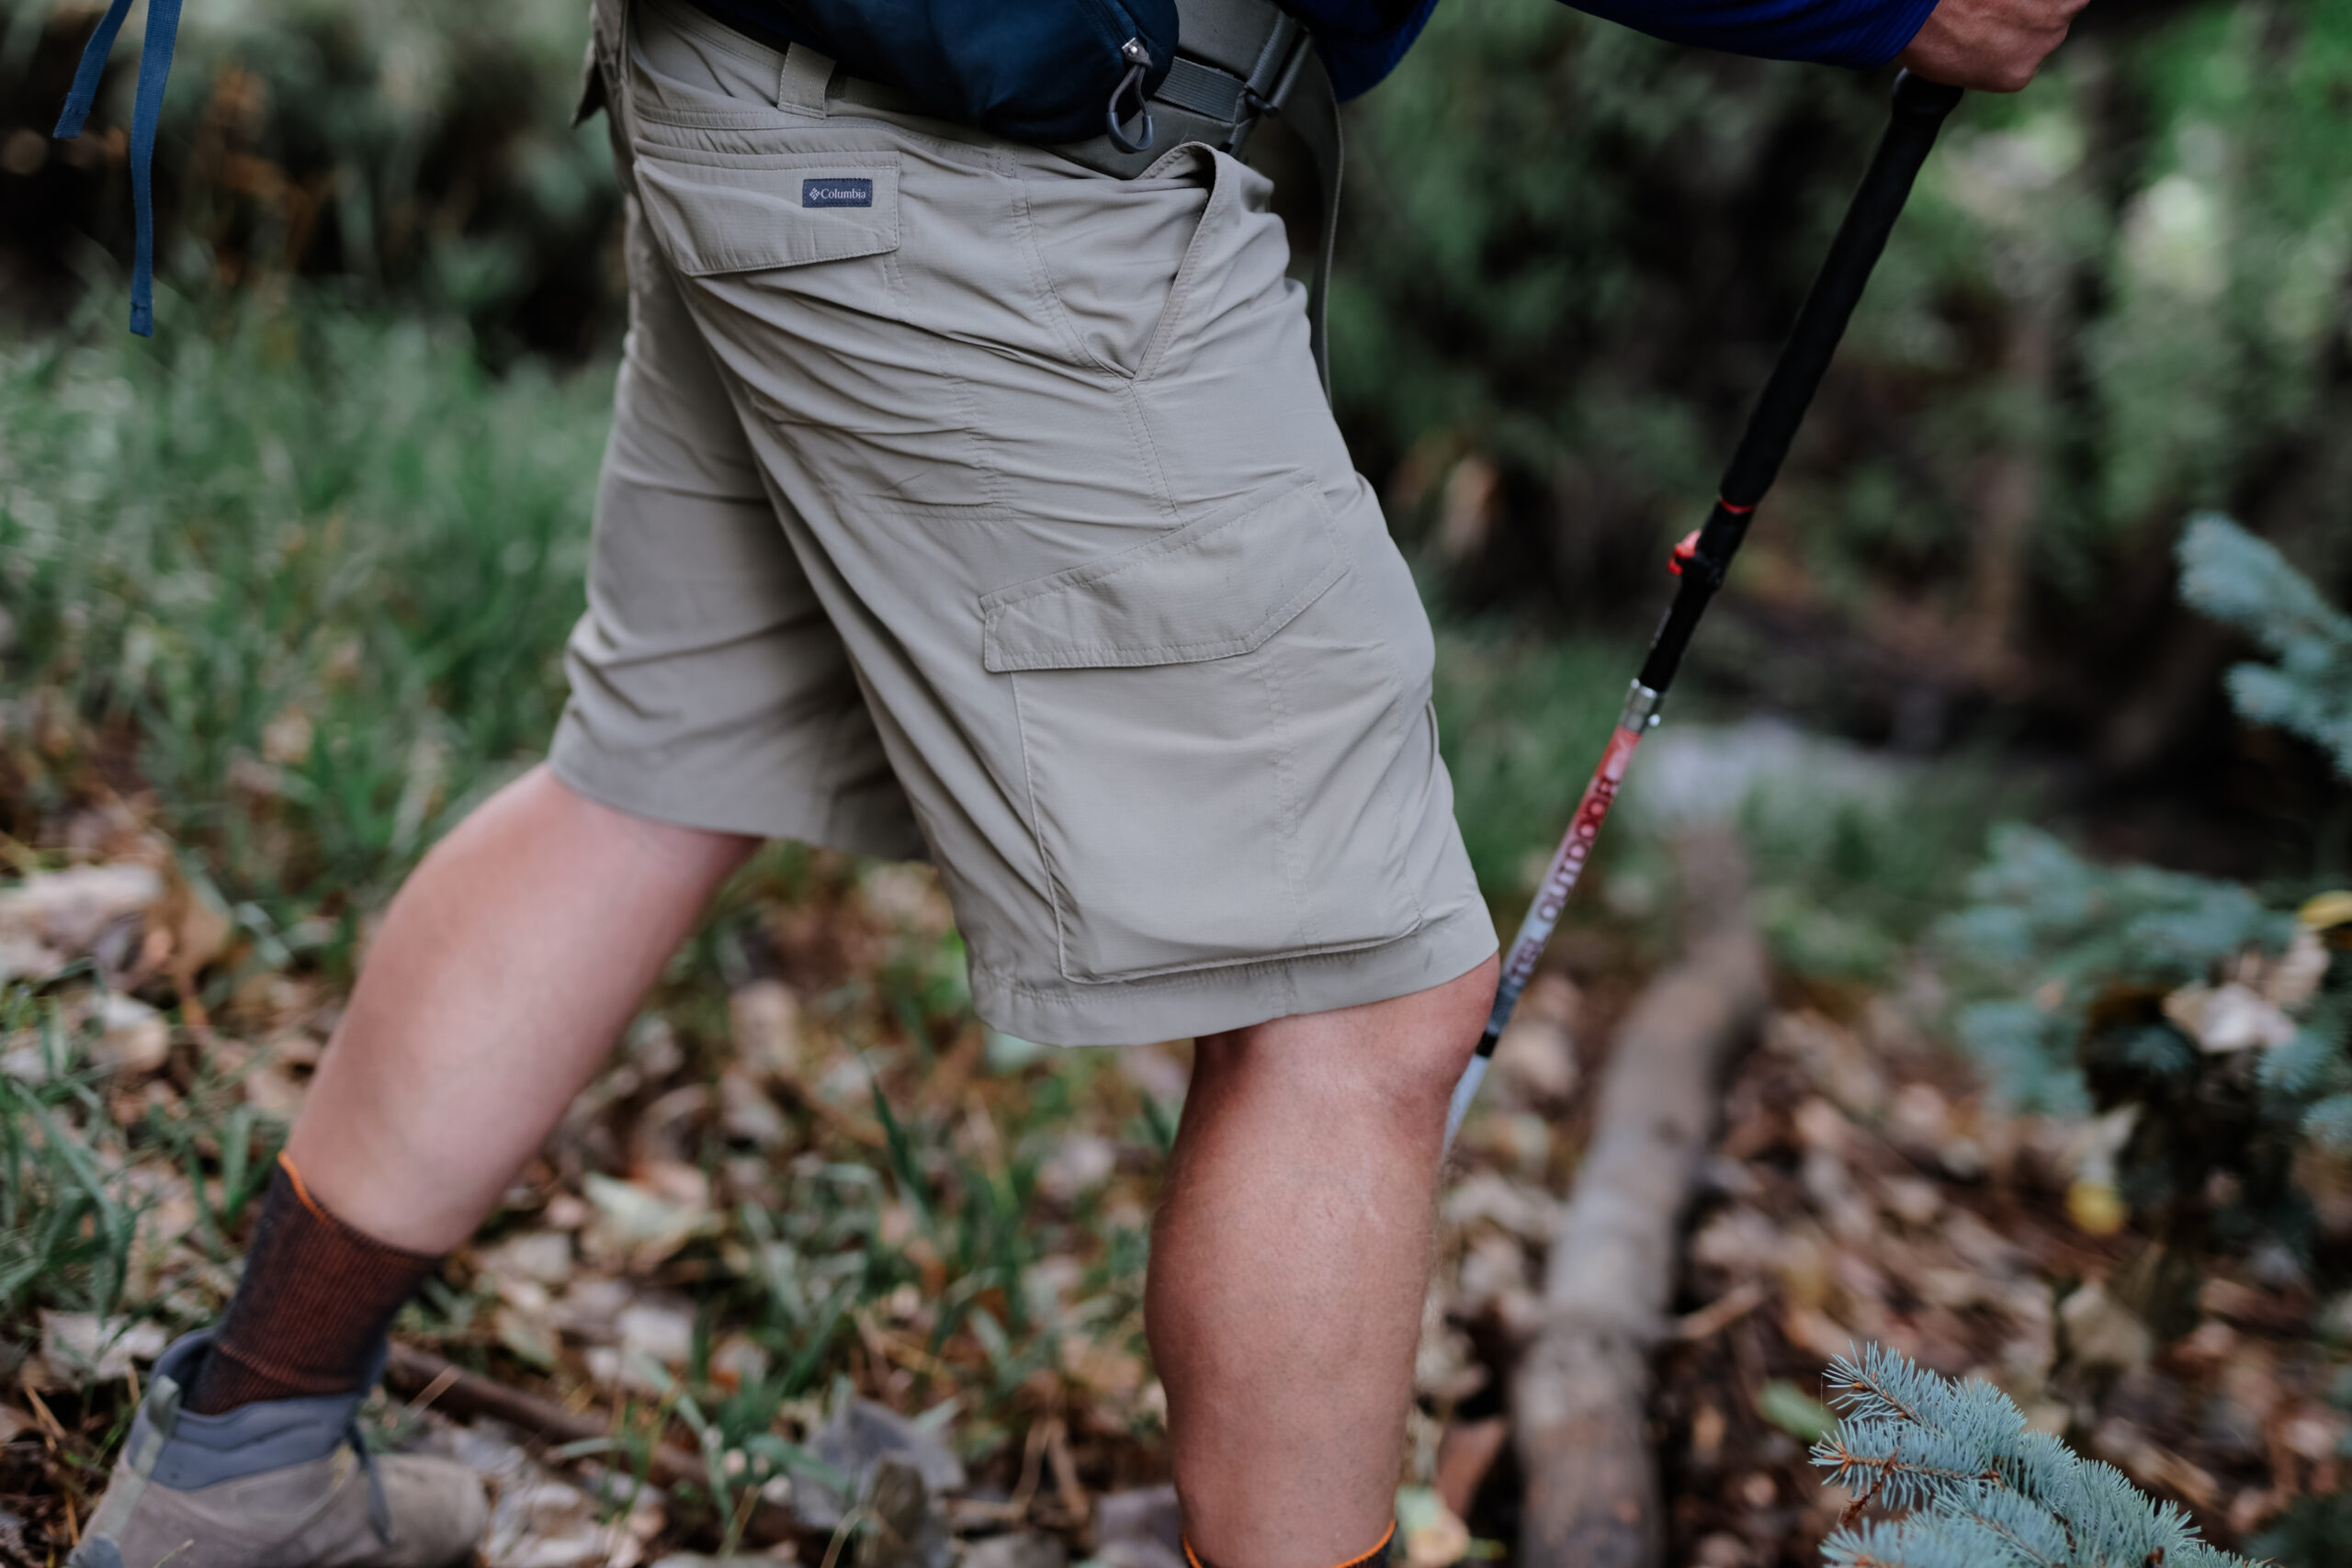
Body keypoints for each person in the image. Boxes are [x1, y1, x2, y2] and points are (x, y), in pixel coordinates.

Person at [63, 0, 2082, 1562]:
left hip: (778, 87)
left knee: (648, 771)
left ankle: (234, 1466)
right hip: (980, 178)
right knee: (1357, 1001)